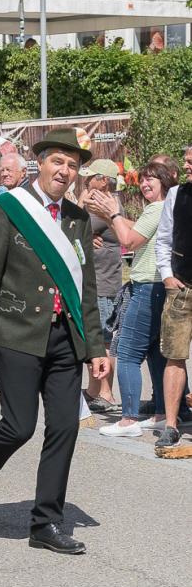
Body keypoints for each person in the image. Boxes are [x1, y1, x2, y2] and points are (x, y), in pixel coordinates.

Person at [0, 128, 109, 554]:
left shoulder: (77, 218)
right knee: (19, 426)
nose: (65, 170)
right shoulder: (6, 209)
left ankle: (46, 523)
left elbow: (86, 290)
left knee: (64, 427)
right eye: (58, 161)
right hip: (17, 333)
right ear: (41, 163)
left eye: (72, 165)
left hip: (65, 339)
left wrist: (95, 346)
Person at [86, 160, 182, 437]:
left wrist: (113, 213)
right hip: (160, 287)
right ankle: (162, 414)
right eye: (142, 179)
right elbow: (136, 228)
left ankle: (128, 419)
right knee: (154, 353)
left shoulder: (156, 208)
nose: (144, 183)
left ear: (165, 182)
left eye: (151, 179)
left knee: (126, 353)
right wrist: (109, 216)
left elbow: (129, 240)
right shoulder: (167, 208)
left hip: (147, 288)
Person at [154, 144, 192, 450]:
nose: (187, 166)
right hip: (181, 287)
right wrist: (166, 274)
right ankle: (170, 424)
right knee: (174, 355)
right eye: (187, 161)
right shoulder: (177, 195)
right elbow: (163, 238)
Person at [78, 160, 121, 413]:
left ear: (104, 180)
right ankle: (95, 391)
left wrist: (82, 201)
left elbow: (72, 226)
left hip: (103, 284)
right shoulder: (101, 206)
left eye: (91, 177)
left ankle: (106, 393)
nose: (85, 181)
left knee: (102, 340)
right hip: (97, 282)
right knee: (94, 339)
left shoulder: (105, 205)